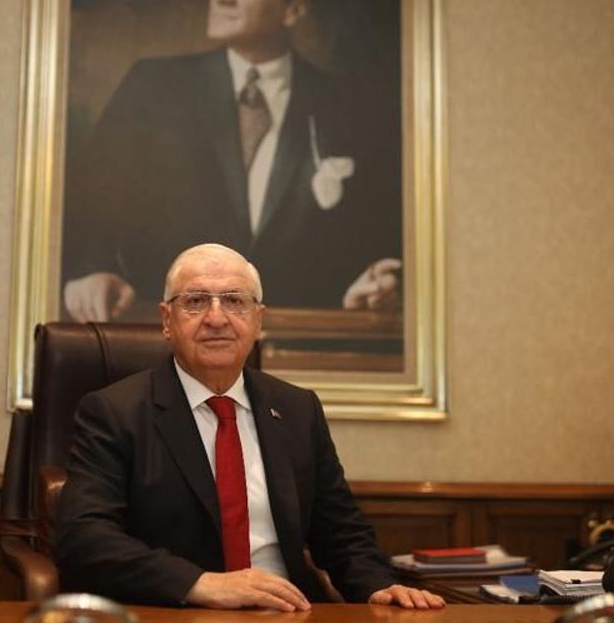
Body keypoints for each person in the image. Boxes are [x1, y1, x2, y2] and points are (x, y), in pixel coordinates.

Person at [54, 243, 444, 610]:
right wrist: (200, 584)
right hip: (178, 611)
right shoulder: (114, 413)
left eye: (235, 301)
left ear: (258, 321)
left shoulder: (297, 409)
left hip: (289, 612)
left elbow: (341, 532)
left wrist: (378, 586)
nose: (216, 318)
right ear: (166, 321)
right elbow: (85, 539)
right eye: (195, 301)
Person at [61, 0, 402, 322]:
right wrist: (91, 270)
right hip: (168, 330)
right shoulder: (153, 85)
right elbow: (93, 196)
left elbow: (372, 229)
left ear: (293, 10)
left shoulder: (347, 104)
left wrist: (368, 282)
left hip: (300, 334)